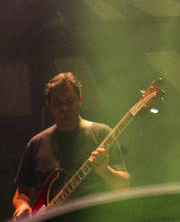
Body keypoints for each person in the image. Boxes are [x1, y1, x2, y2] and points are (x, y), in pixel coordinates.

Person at [12, 73, 130, 218]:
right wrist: (22, 205)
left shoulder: (101, 134)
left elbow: (123, 184)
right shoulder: (36, 144)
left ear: (79, 99)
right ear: (49, 105)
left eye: (70, 101)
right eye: (58, 104)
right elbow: (22, 193)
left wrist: (105, 170)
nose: (65, 108)